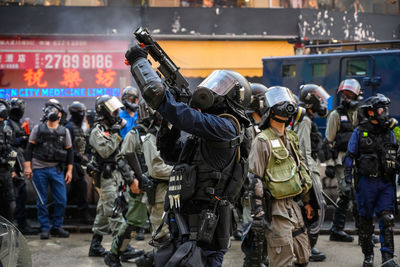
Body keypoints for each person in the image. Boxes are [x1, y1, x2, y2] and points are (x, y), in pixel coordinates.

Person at [125, 45, 252, 266]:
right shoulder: (210, 131)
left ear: (233, 97)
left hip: (205, 229)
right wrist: (172, 123)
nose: (213, 90)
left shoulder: (227, 127)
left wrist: (140, 63)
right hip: (187, 226)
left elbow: (181, 115)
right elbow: (172, 154)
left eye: (221, 87)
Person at [249, 86, 313, 267]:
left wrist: (307, 202)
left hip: (294, 206)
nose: (286, 105)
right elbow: (255, 179)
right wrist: (258, 213)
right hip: (275, 210)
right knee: (282, 259)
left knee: (303, 256)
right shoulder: (262, 141)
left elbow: (300, 171)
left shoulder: (291, 137)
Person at [344, 94, 398, 267]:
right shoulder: (359, 132)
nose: (385, 113)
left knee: (387, 218)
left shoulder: (390, 132)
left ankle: (387, 258)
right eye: (382, 109)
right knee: (365, 221)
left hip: (386, 182)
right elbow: (350, 156)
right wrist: (347, 180)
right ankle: (368, 256)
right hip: (366, 183)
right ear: (371, 113)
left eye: (386, 109)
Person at [88, 95, 142, 262]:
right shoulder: (98, 131)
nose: (116, 112)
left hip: (115, 176)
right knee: (114, 211)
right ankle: (121, 248)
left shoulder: (112, 129)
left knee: (104, 212)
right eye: (112, 108)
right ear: (103, 111)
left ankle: (95, 246)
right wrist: (117, 134)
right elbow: (105, 151)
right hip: (105, 177)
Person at [24, 99, 73, 240]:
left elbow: (70, 152)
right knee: (42, 200)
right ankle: (45, 228)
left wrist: (69, 171)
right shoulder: (38, 129)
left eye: (55, 110)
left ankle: (56, 227)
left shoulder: (64, 131)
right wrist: (28, 167)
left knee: (61, 200)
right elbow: (29, 148)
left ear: (59, 114)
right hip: (39, 169)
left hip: (56, 170)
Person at [135, 101, 174, 266]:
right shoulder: (151, 137)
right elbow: (156, 169)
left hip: (169, 192)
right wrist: (180, 171)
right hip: (159, 194)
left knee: (171, 236)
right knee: (162, 236)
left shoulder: (165, 134)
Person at [324, 78, 362, 242]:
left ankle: (357, 232)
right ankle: (343, 231)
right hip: (341, 161)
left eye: (350, 95)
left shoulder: (361, 114)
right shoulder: (335, 115)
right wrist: (331, 164)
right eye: (344, 94)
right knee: (347, 193)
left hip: (359, 162)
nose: (346, 98)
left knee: (357, 195)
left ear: (357, 96)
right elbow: (329, 142)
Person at [295, 84, 330, 262]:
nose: (322, 100)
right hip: (307, 172)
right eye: (318, 96)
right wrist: (310, 181)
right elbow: (303, 151)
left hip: (308, 170)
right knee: (311, 210)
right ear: (310, 100)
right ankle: (306, 248)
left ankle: (307, 247)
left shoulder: (306, 118)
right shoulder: (305, 120)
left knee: (307, 212)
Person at [8, 98, 38, 235]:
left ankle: (21, 223)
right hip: (11, 163)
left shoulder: (17, 123)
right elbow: (9, 145)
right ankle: (16, 224)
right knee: (14, 196)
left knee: (21, 194)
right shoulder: (7, 124)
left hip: (18, 161)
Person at [65, 101, 91, 224]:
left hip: (78, 162)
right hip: (71, 163)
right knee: (82, 186)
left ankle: (69, 214)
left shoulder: (79, 127)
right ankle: (83, 216)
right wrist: (79, 156)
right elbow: (67, 147)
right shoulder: (69, 127)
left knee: (75, 190)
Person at [0, 99, 17, 222]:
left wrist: (13, 167)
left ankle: (8, 236)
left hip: (5, 172)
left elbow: (11, 148)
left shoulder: (8, 130)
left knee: (10, 204)